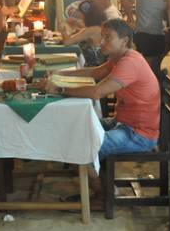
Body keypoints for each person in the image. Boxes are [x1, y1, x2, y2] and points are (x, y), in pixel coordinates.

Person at [47, 19, 160, 209]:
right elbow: (95, 73)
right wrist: (60, 75)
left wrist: (58, 90)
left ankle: (103, 196)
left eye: (108, 38)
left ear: (124, 41)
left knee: (79, 146)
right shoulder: (120, 57)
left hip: (138, 135)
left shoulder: (130, 63)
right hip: (122, 123)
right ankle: (104, 187)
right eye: (103, 37)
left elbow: (96, 92)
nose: (101, 42)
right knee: (74, 131)